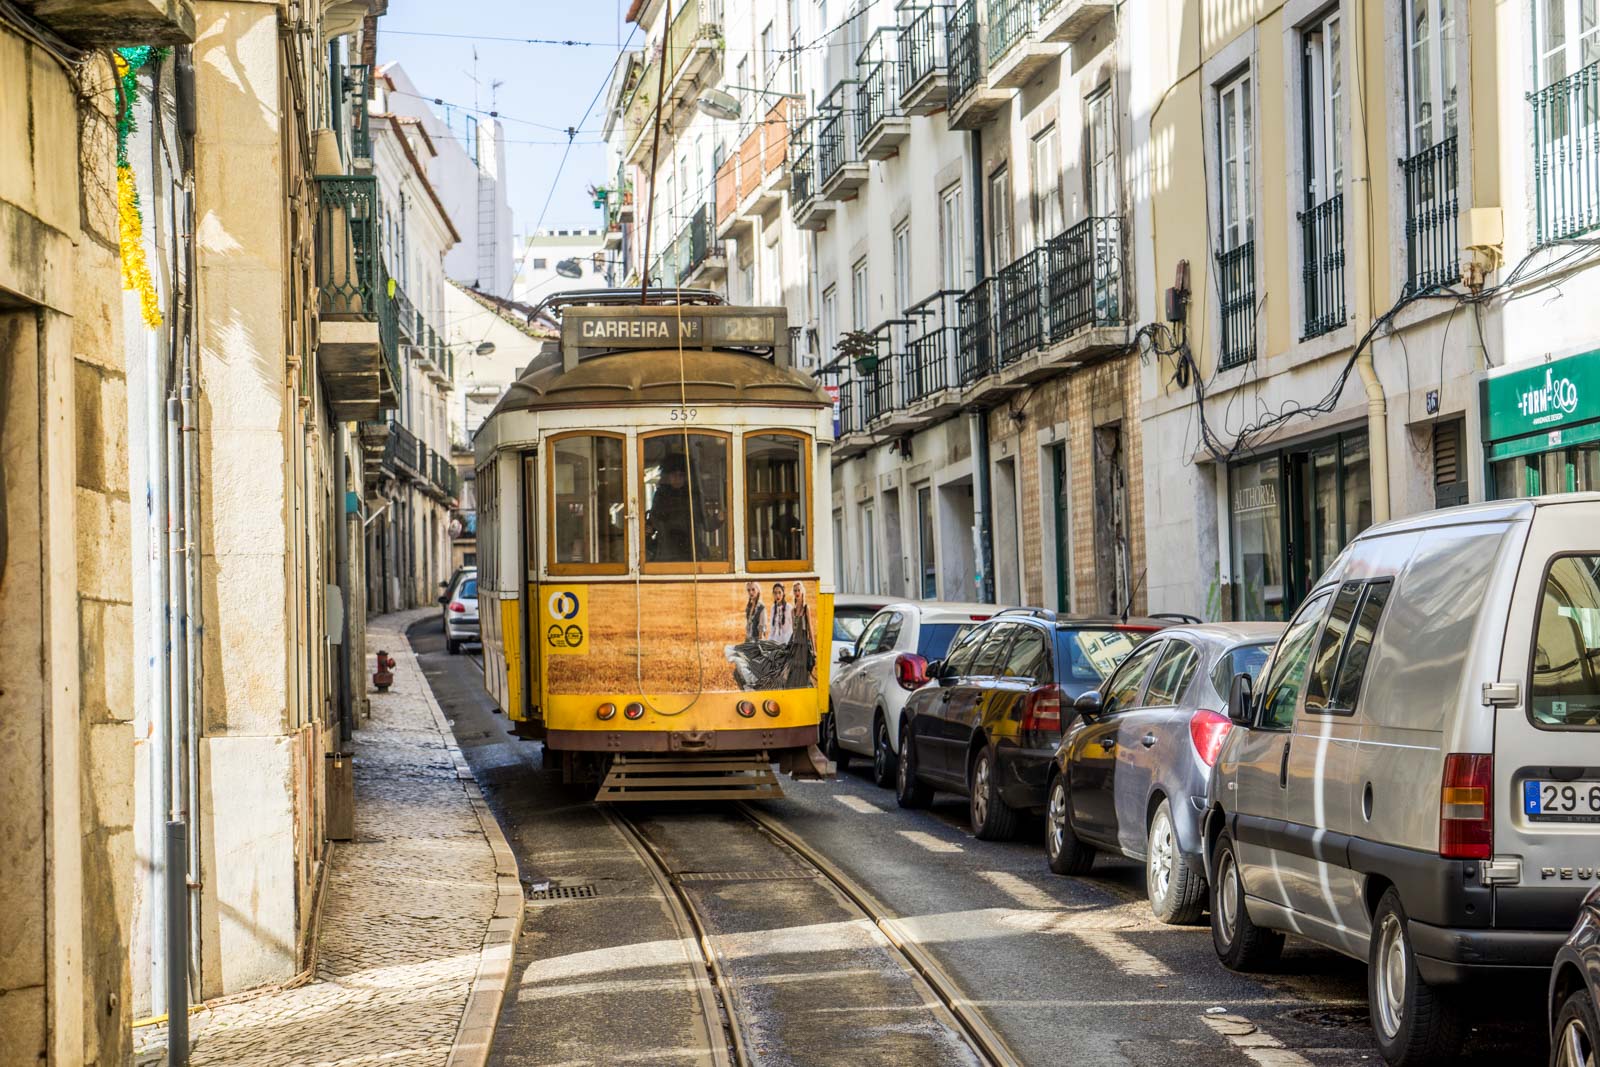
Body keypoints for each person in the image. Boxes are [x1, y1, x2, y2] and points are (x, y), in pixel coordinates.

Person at [645, 450, 723, 562]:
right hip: (666, 554)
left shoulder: (694, 497)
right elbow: (654, 522)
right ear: (667, 476)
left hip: (691, 553)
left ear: (687, 477)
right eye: (673, 475)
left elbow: (706, 525)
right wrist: (649, 528)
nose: (677, 479)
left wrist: (718, 518)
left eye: (681, 475)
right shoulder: (660, 497)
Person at [785, 582, 815, 689]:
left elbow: (810, 628)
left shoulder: (806, 608)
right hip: (796, 644)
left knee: (804, 671)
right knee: (793, 670)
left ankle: (808, 689)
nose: (797, 592)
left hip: (804, 644)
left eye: (798, 590)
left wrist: (814, 649)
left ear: (802, 591)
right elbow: (793, 631)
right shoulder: (792, 611)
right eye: (795, 590)